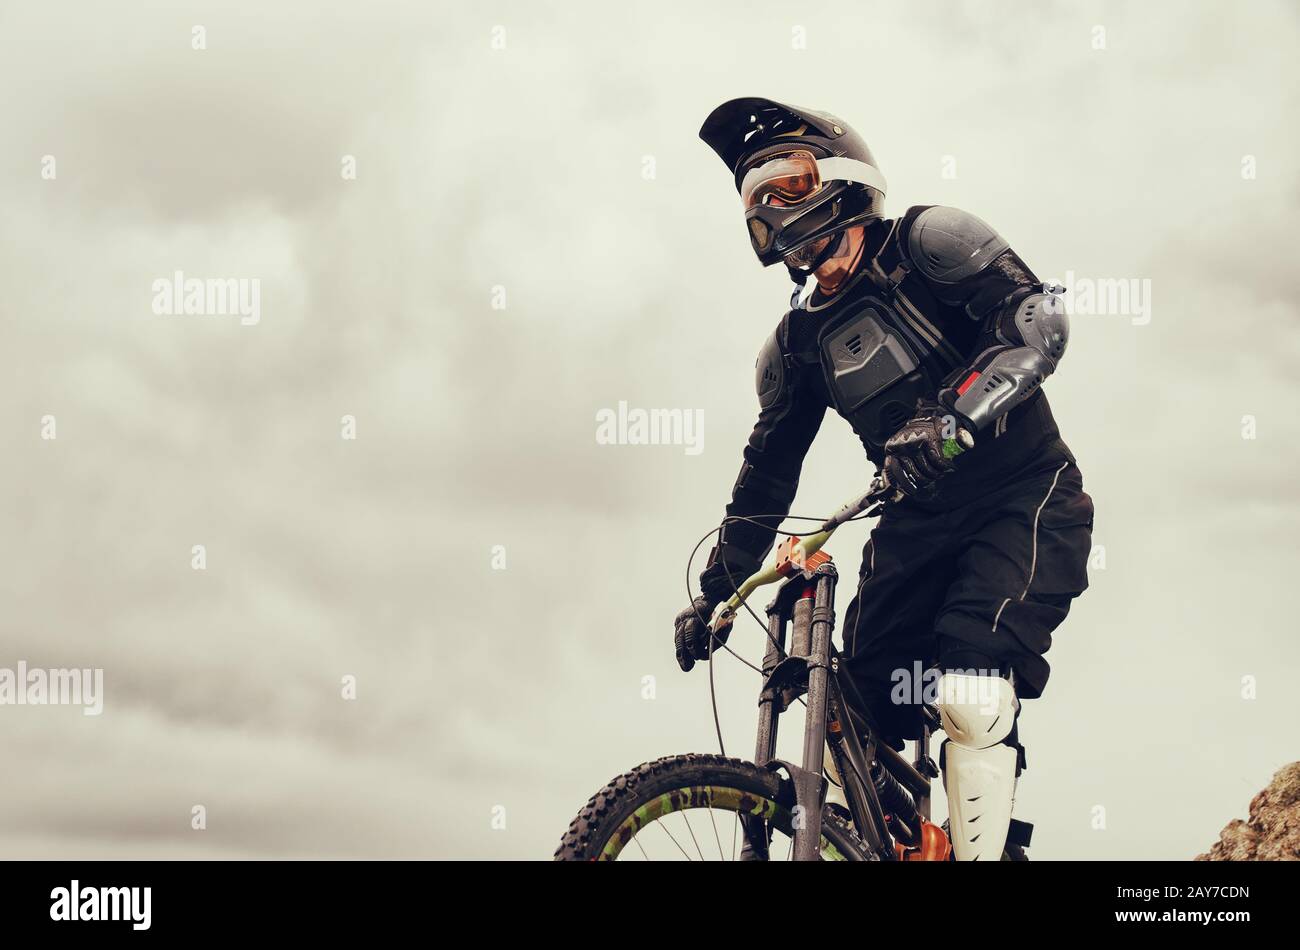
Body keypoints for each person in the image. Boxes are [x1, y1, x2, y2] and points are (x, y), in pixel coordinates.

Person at [673, 97, 1094, 860]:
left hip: (1024, 496)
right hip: (914, 526)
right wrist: (716, 594)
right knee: (840, 721)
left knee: (969, 693)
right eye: (755, 190)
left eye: (786, 178)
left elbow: (1037, 317)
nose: (769, 201)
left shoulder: (933, 241)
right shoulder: (796, 346)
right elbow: (766, 476)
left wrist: (952, 417)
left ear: (841, 174)